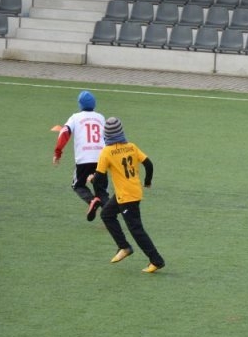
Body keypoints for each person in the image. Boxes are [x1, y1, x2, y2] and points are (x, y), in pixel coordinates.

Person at [91, 117, 166, 273]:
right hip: (131, 192)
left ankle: (156, 260)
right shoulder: (131, 146)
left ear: (107, 135)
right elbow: (149, 164)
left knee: (136, 230)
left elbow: (99, 178)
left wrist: (91, 178)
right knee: (106, 214)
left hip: (126, 197)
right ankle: (124, 247)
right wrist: (147, 181)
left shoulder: (107, 152)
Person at [52, 90, 105, 221]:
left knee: (78, 185)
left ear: (80, 105)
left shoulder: (75, 118)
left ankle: (92, 200)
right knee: (101, 188)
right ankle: (109, 217)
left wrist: (58, 153)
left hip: (84, 159)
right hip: (102, 158)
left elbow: (64, 133)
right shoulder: (101, 117)